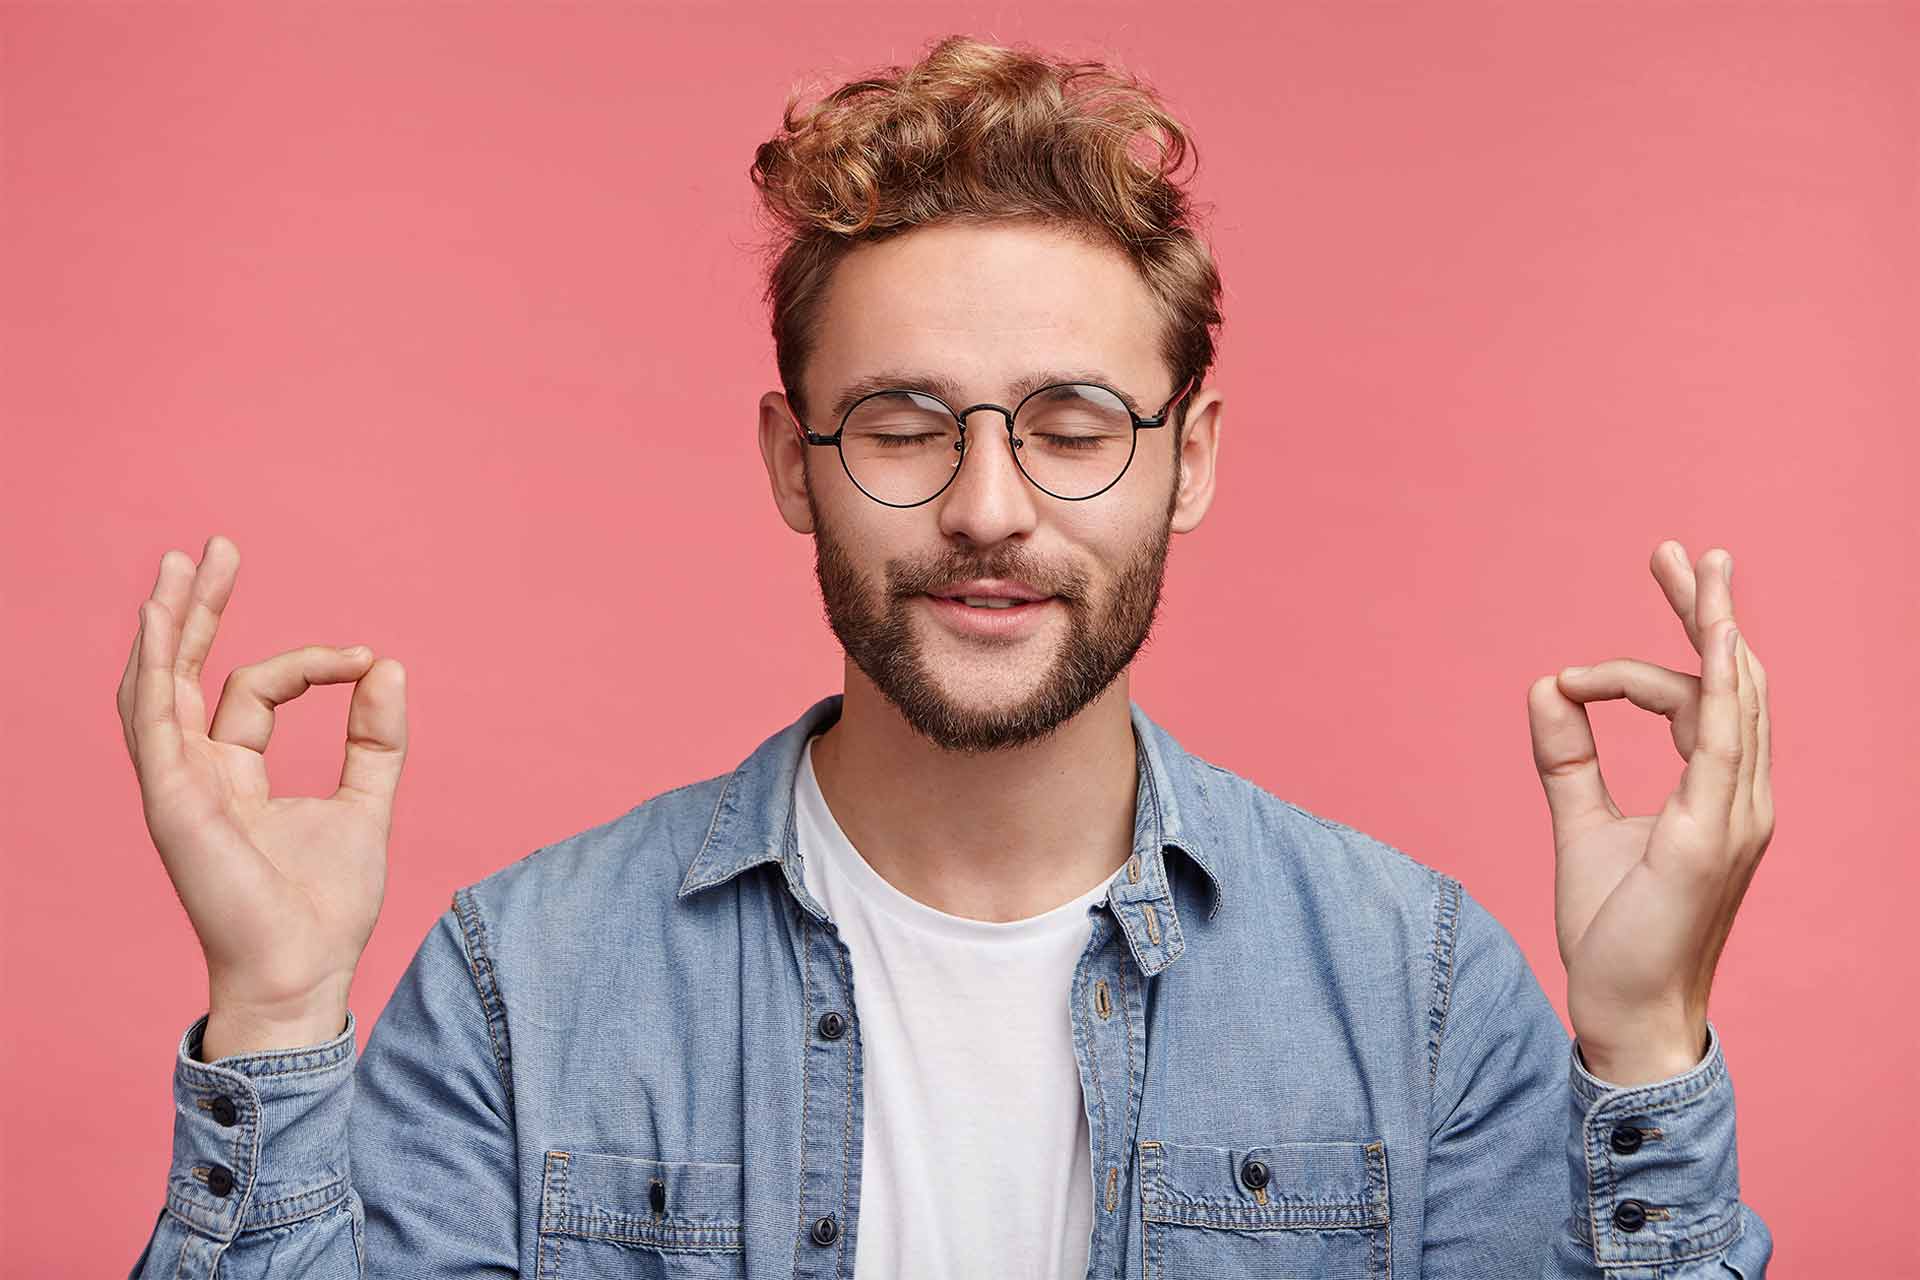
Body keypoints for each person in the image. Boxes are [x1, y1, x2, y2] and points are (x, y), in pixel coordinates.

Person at [121, 34, 1776, 1280]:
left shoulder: (1414, 994)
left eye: (1073, 428)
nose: (989, 510)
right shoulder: (523, 986)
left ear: (1190, 461)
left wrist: (1642, 1041)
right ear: (793, 460)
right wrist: (272, 1009)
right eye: (905, 425)